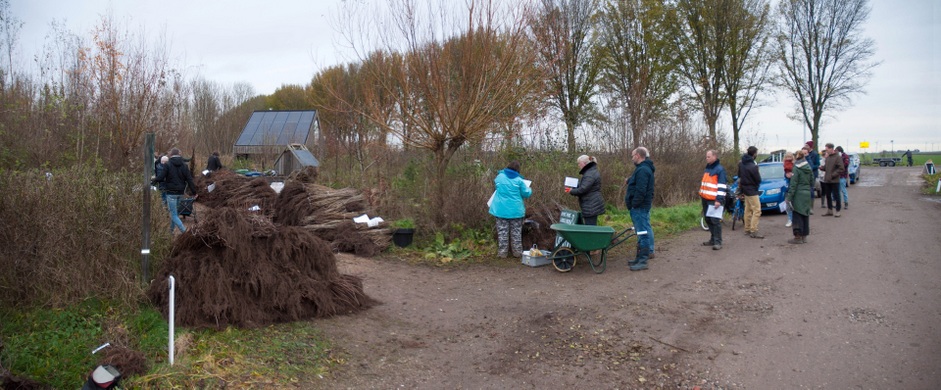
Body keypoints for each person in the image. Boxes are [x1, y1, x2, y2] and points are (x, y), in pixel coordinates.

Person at [489, 161, 532, 258]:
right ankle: (517, 253)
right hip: (516, 211)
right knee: (516, 233)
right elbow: (526, 193)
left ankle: (502, 253)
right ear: (518, 169)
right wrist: (530, 189)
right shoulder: (519, 181)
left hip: (500, 210)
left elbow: (497, 186)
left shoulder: (499, 177)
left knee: (502, 232)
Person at [624, 147, 655, 271]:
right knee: (640, 232)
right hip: (639, 207)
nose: (632, 158)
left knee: (643, 233)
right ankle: (639, 258)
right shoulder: (642, 169)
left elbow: (641, 190)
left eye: (632, 156)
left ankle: (643, 261)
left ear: (638, 155)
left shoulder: (643, 170)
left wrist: (634, 204)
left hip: (640, 207)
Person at [156, 148, 198, 235]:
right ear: (179, 155)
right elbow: (189, 179)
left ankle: (185, 233)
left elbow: (161, 177)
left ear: (171, 155)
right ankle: (171, 231)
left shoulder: (168, 164)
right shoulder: (184, 165)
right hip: (180, 193)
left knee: (173, 214)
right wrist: (194, 192)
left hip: (171, 193)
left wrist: (153, 181)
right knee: (176, 213)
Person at [699, 150, 727, 250]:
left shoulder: (720, 169)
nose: (707, 158)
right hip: (705, 198)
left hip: (714, 199)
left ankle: (718, 241)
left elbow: (722, 186)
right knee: (707, 219)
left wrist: (718, 200)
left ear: (714, 156)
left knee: (715, 221)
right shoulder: (708, 168)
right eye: (706, 156)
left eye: (708, 156)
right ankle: (713, 239)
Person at [566, 155, 605, 226]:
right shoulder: (591, 172)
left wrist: (571, 191)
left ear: (584, 163)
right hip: (591, 203)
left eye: (579, 163)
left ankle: (592, 237)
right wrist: (575, 185)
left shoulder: (589, 174)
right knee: (590, 226)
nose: (578, 165)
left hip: (591, 205)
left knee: (590, 228)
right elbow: (585, 185)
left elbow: (583, 189)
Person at [786, 149, 813, 244]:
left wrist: (789, 197)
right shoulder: (808, 167)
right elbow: (812, 181)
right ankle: (804, 236)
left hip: (798, 194)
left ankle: (797, 236)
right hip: (807, 193)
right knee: (805, 214)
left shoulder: (796, 168)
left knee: (797, 215)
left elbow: (793, 184)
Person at [738, 146, 763, 239]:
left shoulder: (741, 164)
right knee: (757, 210)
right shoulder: (753, 166)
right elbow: (758, 179)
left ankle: (747, 229)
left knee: (748, 209)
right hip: (752, 190)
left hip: (745, 189)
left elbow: (739, 175)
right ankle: (753, 230)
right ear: (754, 154)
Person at [819, 143, 845, 217]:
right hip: (827, 180)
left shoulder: (837, 157)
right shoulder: (828, 157)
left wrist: (832, 175)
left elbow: (841, 168)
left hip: (834, 180)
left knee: (836, 196)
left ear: (831, 149)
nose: (826, 151)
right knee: (828, 196)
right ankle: (829, 210)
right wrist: (822, 168)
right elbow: (827, 167)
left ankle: (838, 210)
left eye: (827, 149)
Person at [805, 141, 820, 210]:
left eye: (807, 145)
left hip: (812, 174)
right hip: (805, 174)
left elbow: (817, 164)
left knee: (811, 189)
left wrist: (810, 168)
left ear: (810, 146)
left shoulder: (815, 154)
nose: (805, 147)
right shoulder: (804, 153)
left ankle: (811, 207)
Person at [783, 151, 795, 227]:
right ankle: (790, 219)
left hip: (794, 187)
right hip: (788, 187)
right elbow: (787, 175)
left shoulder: (794, 165)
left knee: (794, 205)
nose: (788, 158)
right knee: (788, 205)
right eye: (787, 157)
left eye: (790, 157)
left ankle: (794, 219)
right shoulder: (784, 165)